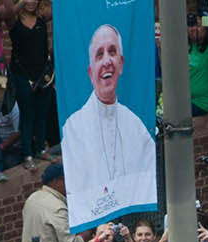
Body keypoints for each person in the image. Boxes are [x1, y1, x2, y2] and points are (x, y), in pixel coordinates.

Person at [60, 24, 158, 225]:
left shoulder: (137, 126)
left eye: (112, 52)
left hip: (132, 218)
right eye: (99, 55)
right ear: (90, 72)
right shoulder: (72, 128)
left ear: (121, 64)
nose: (106, 62)